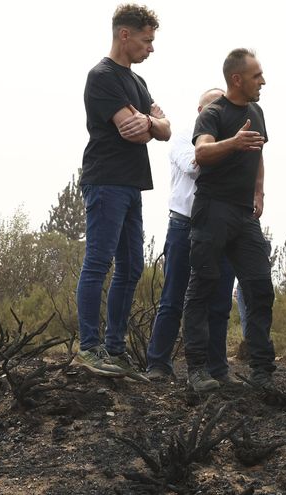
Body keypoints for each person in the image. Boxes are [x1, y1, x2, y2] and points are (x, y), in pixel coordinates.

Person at [74, 4, 170, 381]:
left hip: (132, 184)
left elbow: (164, 129)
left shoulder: (138, 82)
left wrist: (151, 122)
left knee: (132, 267)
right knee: (99, 262)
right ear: (125, 35)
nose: (151, 48)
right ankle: (89, 348)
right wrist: (150, 123)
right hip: (105, 180)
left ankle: (115, 349)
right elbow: (132, 131)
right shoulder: (101, 76)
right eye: (147, 40)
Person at [183, 48, 277, 392]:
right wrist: (233, 142)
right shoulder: (213, 113)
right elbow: (202, 152)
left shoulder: (257, 111)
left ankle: (262, 372)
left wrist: (259, 191)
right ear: (237, 79)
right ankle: (197, 370)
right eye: (256, 76)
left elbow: (258, 152)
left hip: (244, 214)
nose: (263, 81)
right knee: (203, 286)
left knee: (260, 287)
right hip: (213, 209)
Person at [144, 88, 238, 385]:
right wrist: (225, 151)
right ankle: (158, 364)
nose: (219, 112)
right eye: (214, 107)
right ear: (201, 111)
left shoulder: (233, 140)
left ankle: (217, 368)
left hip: (222, 227)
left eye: (224, 107)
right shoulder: (184, 138)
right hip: (184, 225)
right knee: (174, 296)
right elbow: (194, 165)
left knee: (220, 301)